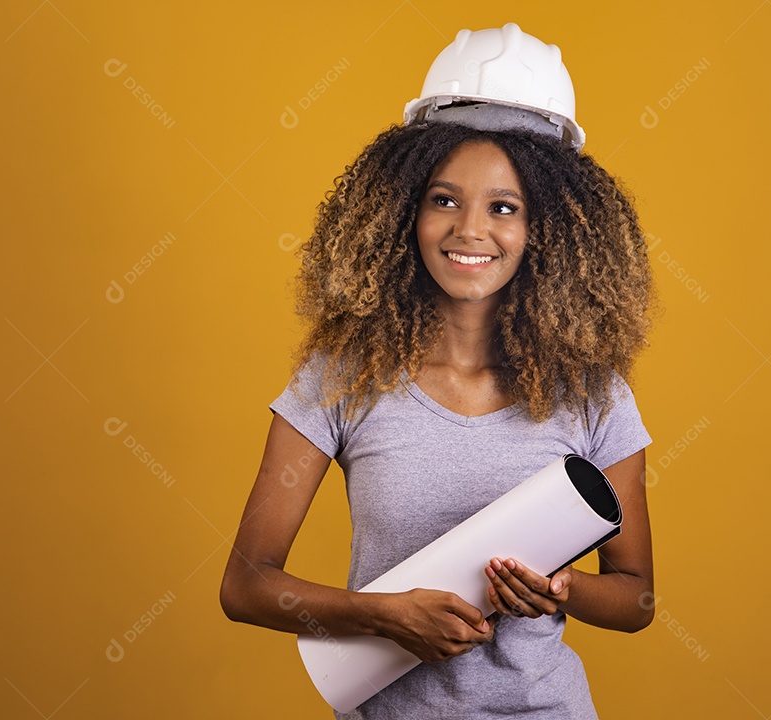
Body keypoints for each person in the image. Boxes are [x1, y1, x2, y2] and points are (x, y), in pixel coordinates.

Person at [220, 23, 656, 719]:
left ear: (546, 229)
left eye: (504, 207)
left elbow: (636, 597)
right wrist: (382, 615)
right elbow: (245, 585)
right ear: (404, 211)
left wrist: (562, 589)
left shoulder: (593, 394)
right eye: (444, 199)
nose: (469, 231)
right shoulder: (343, 378)